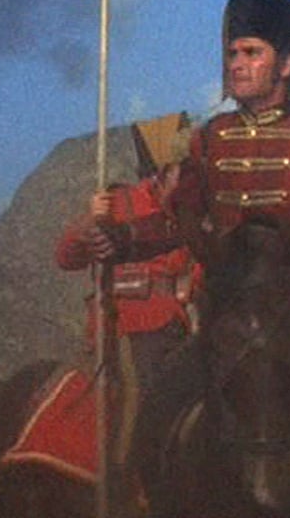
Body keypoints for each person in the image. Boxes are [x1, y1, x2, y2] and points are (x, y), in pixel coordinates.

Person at [91, 0, 290, 511]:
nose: (237, 65)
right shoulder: (206, 141)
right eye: (232, 53)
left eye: (252, 53)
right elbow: (180, 223)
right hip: (224, 323)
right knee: (160, 407)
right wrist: (125, 239)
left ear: (286, 65)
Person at [55, 113, 200, 395]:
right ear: (165, 171)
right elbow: (66, 258)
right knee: (148, 390)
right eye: (184, 172)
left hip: (173, 324)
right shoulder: (117, 203)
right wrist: (90, 221)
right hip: (122, 324)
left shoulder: (192, 213)